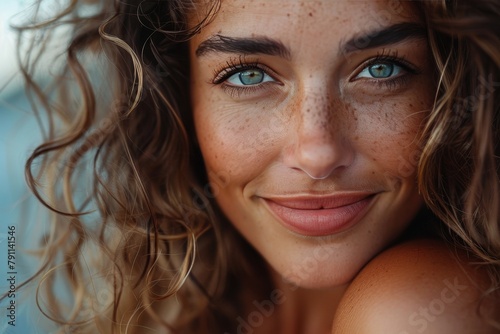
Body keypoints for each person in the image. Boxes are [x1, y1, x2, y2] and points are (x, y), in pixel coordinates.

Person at [4, 0, 500, 332]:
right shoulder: (202, 303)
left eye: (381, 68)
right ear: (179, 101)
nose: (317, 151)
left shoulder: (424, 307)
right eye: (248, 75)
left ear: (448, 85)